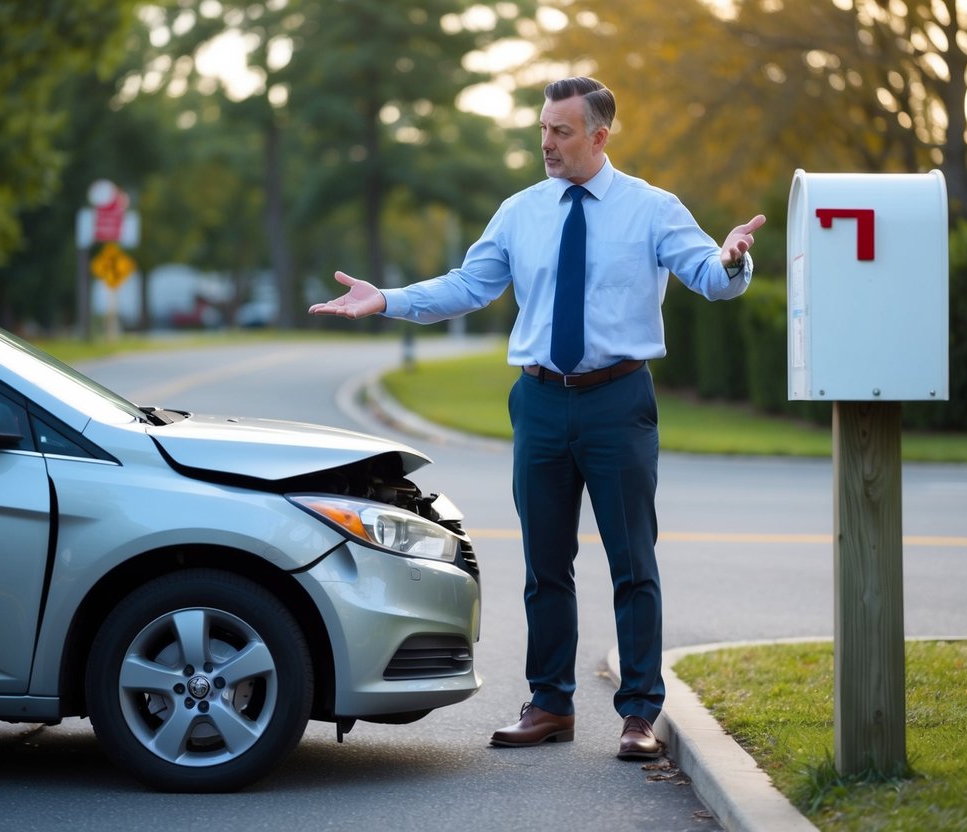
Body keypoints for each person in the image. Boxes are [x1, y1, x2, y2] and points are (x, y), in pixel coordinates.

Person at [310, 76, 765, 760]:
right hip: (541, 402)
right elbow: (469, 286)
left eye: (560, 131)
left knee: (631, 563)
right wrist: (390, 300)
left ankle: (639, 714)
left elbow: (707, 274)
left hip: (617, 401)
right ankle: (549, 703)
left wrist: (733, 262)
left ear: (599, 136)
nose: (546, 143)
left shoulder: (651, 209)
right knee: (545, 565)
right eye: (543, 129)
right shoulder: (521, 211)